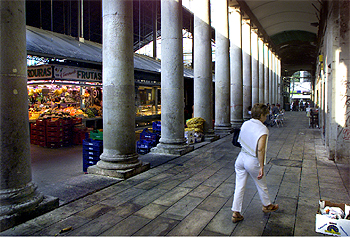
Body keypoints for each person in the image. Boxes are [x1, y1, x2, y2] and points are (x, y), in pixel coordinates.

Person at [231, 103, 279, 223]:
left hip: (241, 157)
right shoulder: (263, 129)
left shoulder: (245, 123)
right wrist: (261, 166)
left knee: (239, 186)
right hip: (252, 160)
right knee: (261, 184)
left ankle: (236, 212)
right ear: (261, 115)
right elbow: (260, 149)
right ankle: (267, 205)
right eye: (266, 115)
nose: (266, 117)